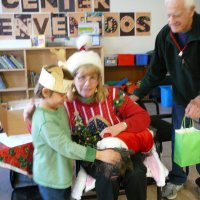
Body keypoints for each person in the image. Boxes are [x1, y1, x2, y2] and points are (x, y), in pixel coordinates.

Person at [59, 35, 155, 200]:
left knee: (137, 173)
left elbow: (143, 117)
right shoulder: (66, 104)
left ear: (99, 79)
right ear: (72, 80)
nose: (87, 83)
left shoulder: (112, 94)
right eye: (81, 77)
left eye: (93, 78)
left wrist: (119, 127)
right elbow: (50, 132)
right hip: (91, 155)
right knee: (107, 176)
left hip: (124, 148)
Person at [130, 0, 200, 199]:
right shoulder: (165, 36)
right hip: (181, 97)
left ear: (191, 11)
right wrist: (136, 94)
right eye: (168, 15)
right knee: (179, 138)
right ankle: (177, 179)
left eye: (176, 15)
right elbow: (156, 72)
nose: (171, 21)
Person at [31, 64, 121, 200]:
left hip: (62, 173)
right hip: (51, 179)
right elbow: (66, 147)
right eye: (62, 94)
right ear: (45, 93)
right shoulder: (45, 121)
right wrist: (99, 154)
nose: (66, 98)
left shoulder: (58, 107)